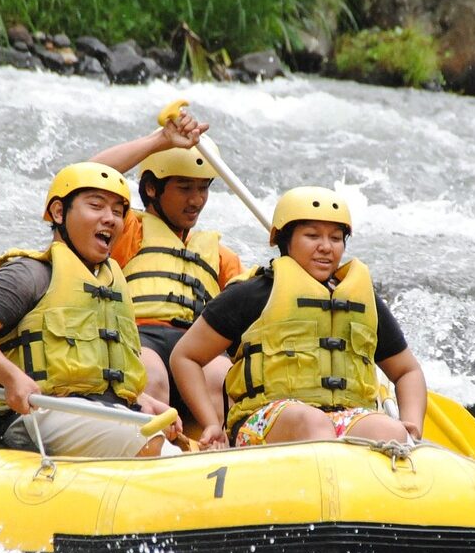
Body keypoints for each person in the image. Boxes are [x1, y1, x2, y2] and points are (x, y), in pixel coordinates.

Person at [0, 162, 179, 457]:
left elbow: (92, 367)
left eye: (118, 212)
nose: (110, 219)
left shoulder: (111, 285)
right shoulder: (29, 273)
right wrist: (10, 377)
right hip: (40, 413)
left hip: (102, 414)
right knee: (146, 442)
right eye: (96, 206)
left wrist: (141, 397)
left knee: (169, 442)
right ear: (59, 212)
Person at [170, 186, 426, 449]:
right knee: (312, 422)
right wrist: (211, 422)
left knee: (388, 429)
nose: (326, 247)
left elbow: (407, 370)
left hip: (343, 417)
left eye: (336, 238)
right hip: (263, 420)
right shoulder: (254, 293)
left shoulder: (361, 301)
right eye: (312, 236)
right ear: (285, 241)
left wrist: (412, 424)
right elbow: (186, 356)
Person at [89, 113, 243, 422]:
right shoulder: (125, 230)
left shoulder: (222, 256)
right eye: (185, 188)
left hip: (198, 346)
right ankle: (150, 450)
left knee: (222, 376)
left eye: (203, 188)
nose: (196, 200)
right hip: (139, 338)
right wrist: (160, 140)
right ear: (152, 190)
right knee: (152, 374)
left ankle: (219, 447)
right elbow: (89, 175)